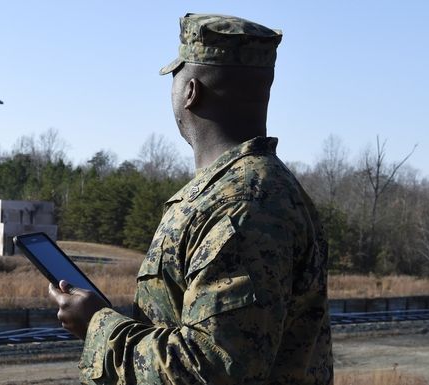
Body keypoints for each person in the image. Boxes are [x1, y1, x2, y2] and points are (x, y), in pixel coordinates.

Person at [48, 13, 333, 384]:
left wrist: (98, 328)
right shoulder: (247, 191)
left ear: (190, 91)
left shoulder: (240, 205)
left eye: (175, 78)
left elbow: (210, 368)